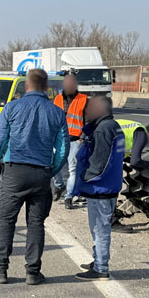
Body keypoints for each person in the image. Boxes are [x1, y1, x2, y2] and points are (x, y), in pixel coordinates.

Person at [0, 69, 69, 286]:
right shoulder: (57, 112)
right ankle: (32, 272)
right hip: (41, 172)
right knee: (36, 223)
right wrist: (51, 171)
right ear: (46, 88)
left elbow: (0, 137)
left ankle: (0, 269)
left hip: (14, 172)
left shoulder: (12, 107)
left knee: (6, 220)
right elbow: (63, 149)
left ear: (27, 86)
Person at [73, 97, 125, 281]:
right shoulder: (112, 126)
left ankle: (101, 267)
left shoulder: (103, 129)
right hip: (107, 185)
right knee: (98, 228)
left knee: (99, 229)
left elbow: (100, 160)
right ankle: (98, 261)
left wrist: (86, 177)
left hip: (100, 187)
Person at [52, 74, 87, 209]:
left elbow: (88, 121)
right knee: (54, 167)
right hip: (58, 139)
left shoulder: (83, 100)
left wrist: (81, 138)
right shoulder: (57, 99)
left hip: (75, 140)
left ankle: (68, 196)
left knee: (73, 169)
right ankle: (60, 186)